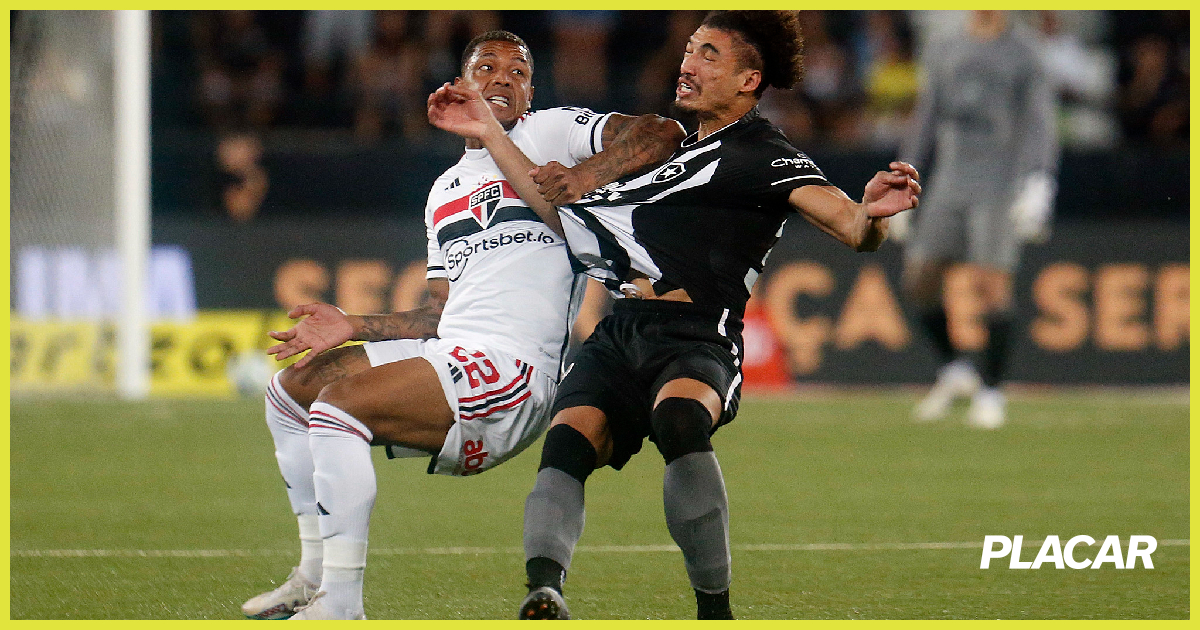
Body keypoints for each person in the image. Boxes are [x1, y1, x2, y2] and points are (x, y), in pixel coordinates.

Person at [428, 11, 920, 620]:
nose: (687, 64)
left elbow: (848, 224)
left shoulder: (762, 153)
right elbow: (558, 208)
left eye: (709, 54)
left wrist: (872, 214)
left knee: (680, 419)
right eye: (689, 50)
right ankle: (544, 590)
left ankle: (714, 610)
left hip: (697, 332)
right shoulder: (672, 156)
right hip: (621, 328)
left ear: (748, 79)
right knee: (567, 442)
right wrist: (491, 133)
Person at [240, 29, 685, 620]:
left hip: (512, 372)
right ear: (461, 83)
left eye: (519, 71)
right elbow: (434, 313)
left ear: (530, 91)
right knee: (290, 393)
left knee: (338, 407)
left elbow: (662, 133)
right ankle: (313, 575)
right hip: (449, 350)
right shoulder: (444, 190)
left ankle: (342, 604)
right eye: (487, 67)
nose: (504, 77)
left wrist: (580, 179)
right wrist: (351, 325)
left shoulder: (552, 134)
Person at [892, 10, 1057, 429]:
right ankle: (954, 370)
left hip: (1000, 179)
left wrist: (1038, 180)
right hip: (951, 175)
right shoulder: (946, 46)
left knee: (992, 283)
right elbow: (926, 117)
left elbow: (1039, 121)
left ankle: (992, 390)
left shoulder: (1025, 52)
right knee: (920, 277)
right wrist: (905, 176)